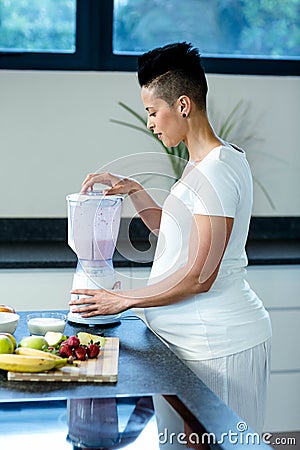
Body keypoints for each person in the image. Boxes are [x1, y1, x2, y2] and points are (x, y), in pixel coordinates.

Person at [69, 42, 272, 436]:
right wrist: (134, 190)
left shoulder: (217, 169)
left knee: (227, 445)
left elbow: (202, 276)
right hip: (189, 346)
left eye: (152, 111)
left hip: (219, 346)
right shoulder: (202, 165)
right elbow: (175, 234)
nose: (150, 123)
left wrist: (125, 299)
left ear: (182, 105)